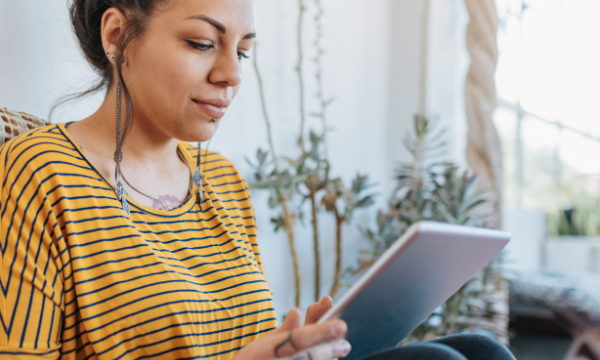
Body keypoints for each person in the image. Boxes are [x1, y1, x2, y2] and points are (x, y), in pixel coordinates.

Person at [0, 0, 516, 359]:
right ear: (117, 36)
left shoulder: (220, 181)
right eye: (202, 42)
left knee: (480, 349)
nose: (232, 74)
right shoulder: (37, 175)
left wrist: (296, 342)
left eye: (242, 51)